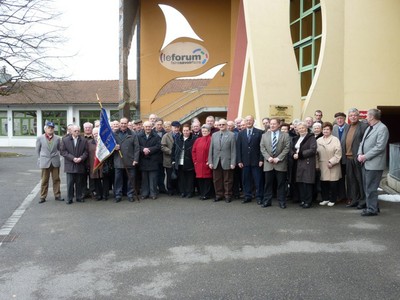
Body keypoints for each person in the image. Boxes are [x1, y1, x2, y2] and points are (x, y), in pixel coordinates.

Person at [357, 108, 389, 216]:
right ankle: (374, 206)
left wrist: (365, 156)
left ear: (371, 117)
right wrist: (359, 154)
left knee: (371, 188)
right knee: (367, 187)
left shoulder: (382, 128)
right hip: (365, 162)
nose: (366, 117)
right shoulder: (370, 127)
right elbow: (362, 142)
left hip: (374, 163)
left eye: (367, 116)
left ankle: (371, 209)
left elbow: (380, 147)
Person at [260, 118, 291, 208]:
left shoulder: (285, 135)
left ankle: (282, 202)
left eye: (274, 124)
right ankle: (267, 201)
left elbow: (287, 148)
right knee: (268, 184)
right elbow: (262, 148)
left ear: (278, 125)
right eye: (271, 124)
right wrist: (268, 157)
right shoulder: (264, 135)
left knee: (281, 184)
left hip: (280, 163)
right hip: (268, 163)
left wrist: (279, 158)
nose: (272, 125)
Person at [236, 115, 264, 204]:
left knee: (258, 180)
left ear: (253, 121)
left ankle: (259, 197)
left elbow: (262, 148)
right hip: (245, 161)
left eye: (250, 120)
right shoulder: (241, 133)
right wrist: (239, 160)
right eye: (247, 120)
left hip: (256, 161)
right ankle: (247, 196)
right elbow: (238, 148)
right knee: (246, 180)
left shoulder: (260, 132)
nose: (248, 122)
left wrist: (261, 159)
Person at [344, 108, 368, 208]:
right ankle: (354, 200)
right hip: (348, 158)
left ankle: (362, 201)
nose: (353, 117)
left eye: (355, 115)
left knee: (360, 180)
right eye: (351, 115)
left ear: (358, 116)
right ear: (349, 117)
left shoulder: (363, 126)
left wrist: (362, 155)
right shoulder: (348, 126)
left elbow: (366, 142)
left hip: (357, 157)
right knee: (351, 181)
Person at [208, 118, 236, 203]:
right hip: (216, 161)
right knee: (217, 179)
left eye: (223, 124)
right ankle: (218, 195)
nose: (221, 126)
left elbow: (233, 150)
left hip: (227, 160)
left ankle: (227, 195)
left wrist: (233, 162)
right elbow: (211, 149)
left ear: (226, 125)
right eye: (220, 125)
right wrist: (210, 161)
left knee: (228, 180)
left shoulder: (232, 135)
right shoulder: (214, 135)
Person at [290, 122, 317, 208]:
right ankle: (302, 199)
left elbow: (313, 150)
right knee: (300, 182)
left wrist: (300, 154)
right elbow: (291, 148)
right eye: (299, 128)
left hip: (307, 162)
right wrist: (293, 154)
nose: (301, 130)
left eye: (303, 128)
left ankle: (308, 201)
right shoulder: (296, 138)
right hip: (297, 163)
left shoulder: (311, 137)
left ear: (306, 128)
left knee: (307, 182)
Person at [36, 121, 64, 203]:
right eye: (49, 128)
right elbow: (37, 150)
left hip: (55, 161)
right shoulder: (40, 138)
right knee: (44, 180)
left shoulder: (58, 138)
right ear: (45, 129)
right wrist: (40, 159)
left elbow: (60, 149)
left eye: (52, 128)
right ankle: (43, 196)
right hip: (45, 161)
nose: (50, 129)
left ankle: (57, 195)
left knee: (56, 179)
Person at [113, 117, 140, 203]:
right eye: (122, 123)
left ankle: (130, 195)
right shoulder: (114, 134)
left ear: (127, 124)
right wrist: (114, 147)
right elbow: (108, 147)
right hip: (118, 160)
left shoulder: (133, 134)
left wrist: (136, 159)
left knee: (131, 180)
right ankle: (118, 195)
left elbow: (137, 148)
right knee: (118, 179)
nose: (123, 125)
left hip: (130, 160)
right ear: (119, 123)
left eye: (125, 123)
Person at [60, 125, 88, 204]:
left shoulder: (83, 140)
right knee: (70, 183)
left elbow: (86, 152)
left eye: (78, 131)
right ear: (71, 131)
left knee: (79, 182)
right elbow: (63, 152)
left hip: (80, 164)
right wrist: (72, 158)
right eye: (75, 131)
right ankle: (69, 198)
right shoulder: (65, 140)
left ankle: (79, 197)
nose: (77, 132)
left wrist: (81, 158)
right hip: (70, 164)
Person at [317, 122, 342, 207]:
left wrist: (332, 162)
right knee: (324, 183)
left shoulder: (335, 140)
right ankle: (325, 199)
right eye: (324, 129)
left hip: (333, 164)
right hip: (322, 164)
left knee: (333, 184)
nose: (325, 131)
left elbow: (338, 153)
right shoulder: (318, 140)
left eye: (327, 129)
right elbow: (316, 154)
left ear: (331, 130)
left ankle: (333, 199)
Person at [138, 121, 162, 200]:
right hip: (143, 160)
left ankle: (153, 193)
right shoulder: (139, 136)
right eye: (146, 126)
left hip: (153, 160)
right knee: (144, 179)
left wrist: (149, 150)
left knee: (153, 179)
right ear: (143, 127)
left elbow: (158, 146)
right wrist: (143, 149)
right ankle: (145, 193)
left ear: (152, 127)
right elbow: (137, 146)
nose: (148, 128)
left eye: (149, 126)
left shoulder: (156, 136)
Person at [172, 123, 196, 198]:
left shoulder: (194, 139)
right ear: (182, 131)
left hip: (189, 162)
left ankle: (190, 192)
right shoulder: (178, 138)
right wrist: (173, 160)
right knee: (181, 178)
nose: (185, 132)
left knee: (190, 179)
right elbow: (173, 149)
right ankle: (182, 192)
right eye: (184, 130)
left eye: (187, 130)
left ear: (190, 131)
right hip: (179, 162)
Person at [192, 125, 214, 200]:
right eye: (203, 131)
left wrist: (209, 161)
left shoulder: (211, 139)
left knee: (207, 180)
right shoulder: (198, 140)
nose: (204, 132)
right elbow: (193, 151)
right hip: (198, 164)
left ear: (209, 132)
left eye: (205, 131)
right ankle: (202, 193)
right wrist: (195, 161)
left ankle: (206, 194)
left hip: (206, 163)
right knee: (200, 180)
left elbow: (213, 151)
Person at [332, 112, 349, 202]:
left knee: (348, 178)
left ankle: (349, 196)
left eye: (341, 118)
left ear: (344, 119)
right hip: (336, 158)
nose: (339, 120)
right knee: (338, 178)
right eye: (337, 119)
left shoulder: (349, 127)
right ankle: (340, 196)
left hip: (347, 157)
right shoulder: (334, 129)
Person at [87, 128, 108, 200]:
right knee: (96, 180)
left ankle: (105, 195)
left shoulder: (104, 141)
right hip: (93, 164)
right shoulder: (89, 143)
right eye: (94, 133)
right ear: (92, 134)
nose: (96, 135)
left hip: (103, 164)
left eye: (97, 133)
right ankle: (98, 195)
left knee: (104, 180)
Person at [161, 121, 180, 195]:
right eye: (175, 127)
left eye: (178, 127)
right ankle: (170, 189)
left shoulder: (181, 135)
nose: (176, 129)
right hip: (168, 159)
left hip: (178, 159)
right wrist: (170, 151)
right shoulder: (166, 136)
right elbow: (162, 146)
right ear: (171, 127)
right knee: (169, 175)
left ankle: (177, 189)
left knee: (178, 175)